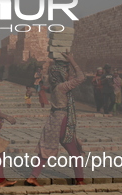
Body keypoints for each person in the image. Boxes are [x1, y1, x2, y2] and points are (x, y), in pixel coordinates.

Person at [26, 52, 86, 186]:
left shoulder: (55, 86)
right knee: (74, 152)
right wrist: (72, 61)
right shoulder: (62, 87)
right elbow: (81, 77)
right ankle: (80, 180)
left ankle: (33, 176)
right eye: (66, 73)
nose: (69, 75)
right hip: (62, 121)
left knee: (46, 149)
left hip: (54, 120)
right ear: (60, 74)